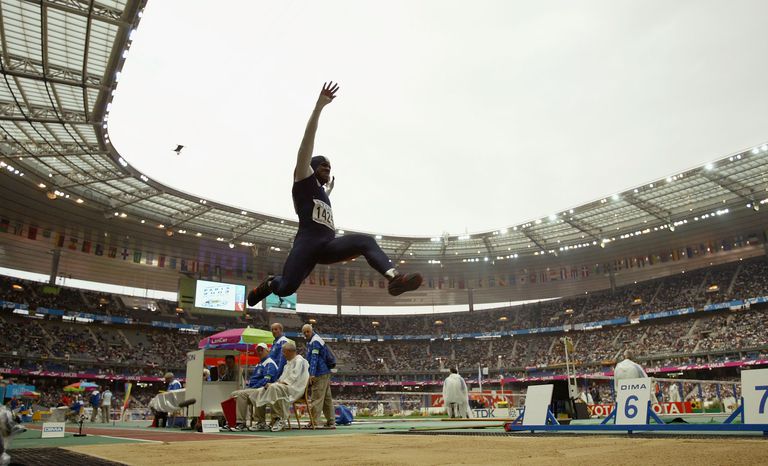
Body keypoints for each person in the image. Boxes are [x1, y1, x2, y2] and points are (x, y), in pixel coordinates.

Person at [246, 82, 423, 308]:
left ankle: (395, 278)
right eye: (323, 165)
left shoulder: (321, 192)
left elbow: (319, 202)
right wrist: (319, 107)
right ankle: (271, 283)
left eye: (330, 166)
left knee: (365, 241)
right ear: (311, 166)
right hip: (306, 245)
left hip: (328, 246)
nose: (328, 168)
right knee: (286, 288)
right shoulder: (302, 177)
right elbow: (305, 146)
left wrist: (328, 192)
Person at [253, 341, 309, 432]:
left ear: (290, 351)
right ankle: (261, 421)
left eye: (284, 352)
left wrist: (276, 384)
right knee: (261, 390)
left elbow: (292, 378)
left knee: (274, 388)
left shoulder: (299, 361)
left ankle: (280, 419)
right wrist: (273, 384)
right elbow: (281, 379)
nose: (283, 354)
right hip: (285, 387)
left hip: (295, 388)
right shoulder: (288, 364)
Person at [228, 343, 279, 431]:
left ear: (267, 351)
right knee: (233, 394)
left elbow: (266, 380)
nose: (259, 352)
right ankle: (230, 422)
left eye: (261, 350)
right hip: (255, 388)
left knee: (241, 395)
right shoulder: (259, 363)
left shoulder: (269, 363)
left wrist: (252, 387)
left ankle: (241, 423)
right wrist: (249, 387)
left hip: (265, 390)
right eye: (258, 350)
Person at [302, 324, 334, 428]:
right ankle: (331, 421)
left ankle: (314, 421)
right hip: (325, 372)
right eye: (304, 332)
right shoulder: (315, 340)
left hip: (319, 373)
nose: (306, 334)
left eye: (308, 332)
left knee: (317, 398)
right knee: (326, 399)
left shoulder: (315, 342)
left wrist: (312, 374)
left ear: (312, 331)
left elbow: (314, 358)